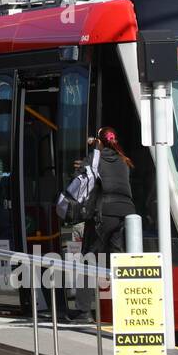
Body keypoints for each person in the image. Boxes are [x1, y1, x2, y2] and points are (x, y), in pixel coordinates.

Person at [72, 126, 137, 322]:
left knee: (89, 259)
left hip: (104, 213)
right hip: (126, 213)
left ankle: (84, 311)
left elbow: (86, 177)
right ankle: (128, 309)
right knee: (118, 261)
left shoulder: (96, 157)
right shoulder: (124, 160)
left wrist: (80, 166)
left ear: (100, 142)